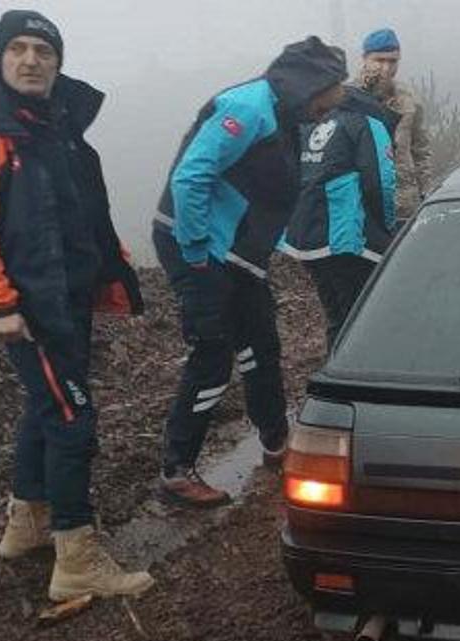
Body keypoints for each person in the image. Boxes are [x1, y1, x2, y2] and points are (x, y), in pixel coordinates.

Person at [0, 10, 152, 600]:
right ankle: (77, 556)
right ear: (0, 59)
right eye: (20, 50)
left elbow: (79, 207)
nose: (32, 60)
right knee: (72, 418)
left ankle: (25, 526)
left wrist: (113, 265)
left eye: (44, 51)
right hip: (29, 309)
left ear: (58, 62)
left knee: (44, 408)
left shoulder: (53, 123)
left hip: (67, 296)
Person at [152, 37, 347, 508]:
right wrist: (197, 249)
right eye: (333, 88)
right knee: (213, 355)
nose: (337, 99)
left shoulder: (289, 114)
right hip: (195, 247)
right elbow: (191, 176)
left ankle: (277, 443)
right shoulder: (248, 108)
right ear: (310, 84)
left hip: (239, 255)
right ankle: (177, 471)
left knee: (261, 342)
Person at [279, 51, 397, 351]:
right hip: (344, 237)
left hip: (306, 235)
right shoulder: (369, 117)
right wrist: (388, 227)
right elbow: (380, 180)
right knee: (360, 318)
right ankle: (357, 377)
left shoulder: (312, 116)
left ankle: (333, 373)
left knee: (336, 317)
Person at [359, 28, 431, 221]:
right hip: (364, 205)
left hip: (404, 203)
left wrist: (426, 191)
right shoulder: (348, 98)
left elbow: (420, 149)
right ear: (365, 59)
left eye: (392, 61)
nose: (386, 68)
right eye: (379, 60)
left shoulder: (409, 99)